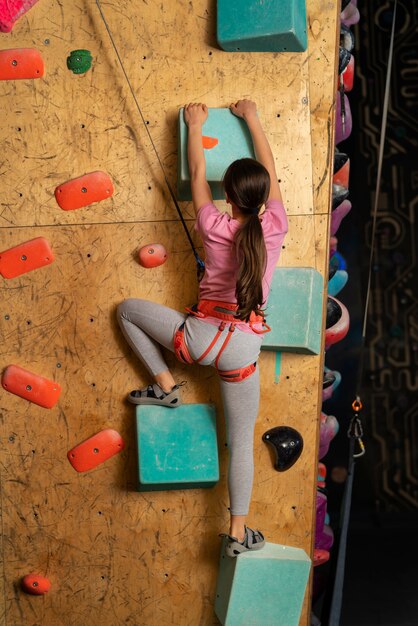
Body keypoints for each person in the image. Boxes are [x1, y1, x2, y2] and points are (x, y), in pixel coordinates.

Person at [117, 99, 288, 557]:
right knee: (242, 443)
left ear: (227, 199)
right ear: (265, 199)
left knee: (127, 311)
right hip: (241, 355)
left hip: (197, 339)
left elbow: (196, 174)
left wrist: (195, 125)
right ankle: (237, 533)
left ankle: (166, 384)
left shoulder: (213, 224)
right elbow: (269, 169)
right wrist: (253, 116)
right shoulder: (275, 226)